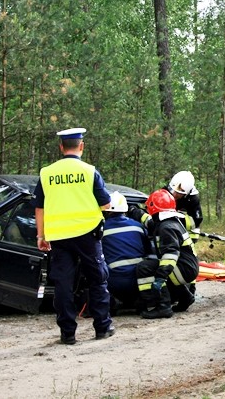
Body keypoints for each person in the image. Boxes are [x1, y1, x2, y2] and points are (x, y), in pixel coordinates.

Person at [32, 127, 115, 344]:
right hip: (88, 234)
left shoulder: (47, 173)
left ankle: (67, 333)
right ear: (82, 146)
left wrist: (41, 236)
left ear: (61, 147)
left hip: (59, 237)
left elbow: (39, 207)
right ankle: (102, 327)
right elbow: (106, 204)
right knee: (97, 279)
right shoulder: (89, 171)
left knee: (63, 284)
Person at [136, 189, 199, 318]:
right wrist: (134, 211)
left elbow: (170, 254)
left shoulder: (166, 227)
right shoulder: (169, 222)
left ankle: (163, 307)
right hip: (187, 267)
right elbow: (150, 222)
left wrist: (160, 277)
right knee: (164, 268)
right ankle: (185, 297)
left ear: (153, 207)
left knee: (145, 267)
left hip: (183, 269)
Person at [101, 191, 153, 313]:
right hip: (139, 280)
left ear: (107, 211)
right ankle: (143, 300)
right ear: (125, 209)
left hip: (114, 282)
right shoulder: (138, 226)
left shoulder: (101, 230)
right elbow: (148, 250)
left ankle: (109, 301)